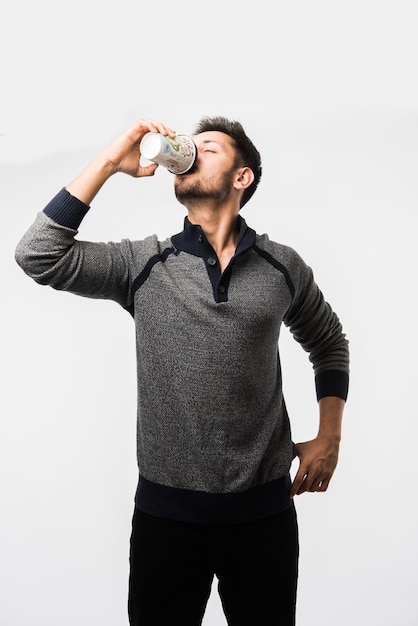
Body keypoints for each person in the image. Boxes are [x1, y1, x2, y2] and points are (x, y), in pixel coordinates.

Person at [15, 116, 349, 626]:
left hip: (263, 518)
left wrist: (330, 437)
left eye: (209, 148)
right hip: (164, 520)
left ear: (243, 177)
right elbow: (37, 254)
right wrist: (108, 162)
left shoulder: (283, 267)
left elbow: (329, 343)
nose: (189, 150)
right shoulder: (143, 264)